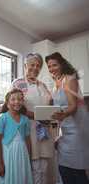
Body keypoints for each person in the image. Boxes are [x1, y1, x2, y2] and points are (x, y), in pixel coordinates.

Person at [45, 52, 89, 184]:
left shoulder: (70, 78)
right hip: (65, 129)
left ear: (61, 64)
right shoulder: (55, 84)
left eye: (55, 65)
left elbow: (73, 106)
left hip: (77, 129)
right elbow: (57, 110)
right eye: (49, 66)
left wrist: (61, 115)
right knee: (64, 168)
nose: (52, 68)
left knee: (76, 169)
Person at [12, 53, 55, 184]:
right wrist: (37, 116)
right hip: (28, 130)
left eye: (38, 66)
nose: (35, 68)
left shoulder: (43, 85)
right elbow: (15, 104)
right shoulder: (18, 83)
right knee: (34, 167)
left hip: (44, 131)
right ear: (25, 65)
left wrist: (52, 110)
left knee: (44, 167)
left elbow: (50, 103)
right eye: (32, 65)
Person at [0, 88, 33, 184]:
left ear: (22, 102)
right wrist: (0, 163)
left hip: (22, 153)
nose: (17, 102)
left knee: (22, 177)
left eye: (20, 99)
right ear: (7, 103)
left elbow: (28, 140)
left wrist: (29, 159)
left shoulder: (25, 119)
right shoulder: (2, 118)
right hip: (8, 153)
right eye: (13, 99)